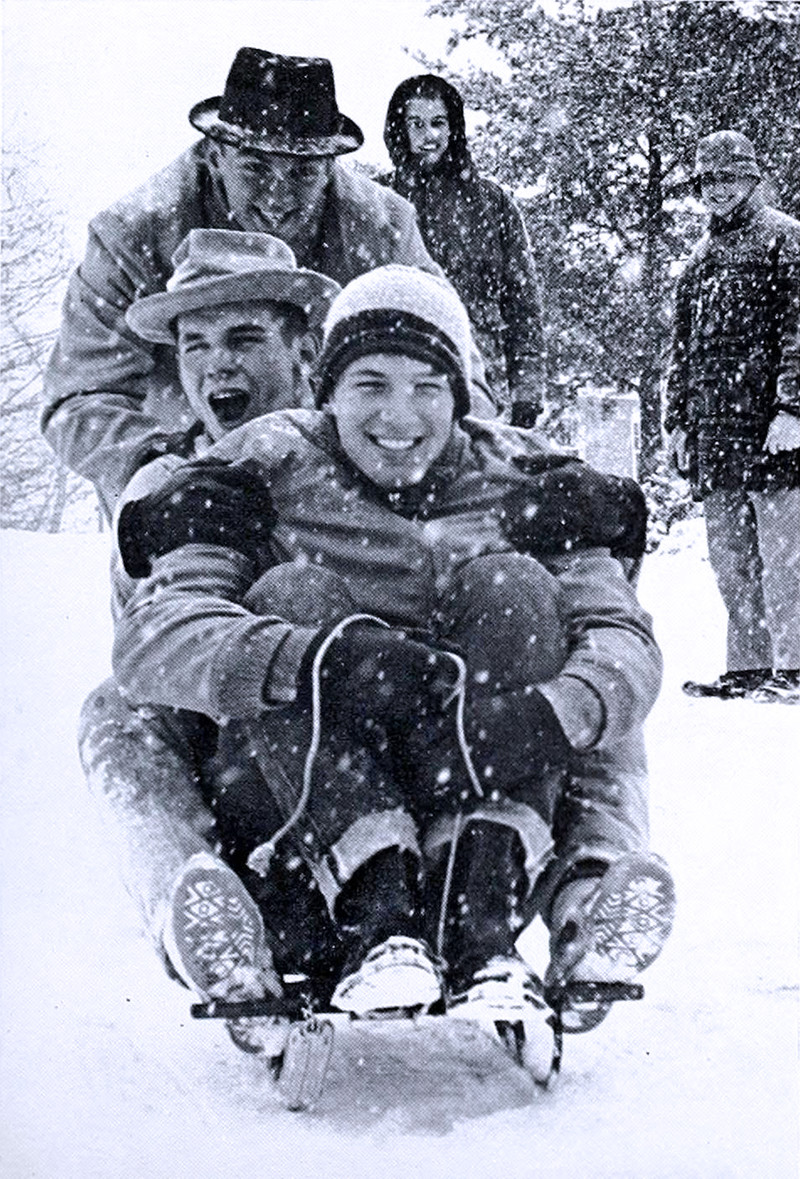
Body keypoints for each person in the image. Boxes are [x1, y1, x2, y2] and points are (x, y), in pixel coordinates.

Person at [112, 265, 675, 1060]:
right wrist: (317, 660)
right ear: (327, 392)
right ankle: (235, 927)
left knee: (537, 615)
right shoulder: (260, 465)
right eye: (370, 384)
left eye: (427, 387)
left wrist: (542, 715)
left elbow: (623, 638)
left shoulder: (529, 479)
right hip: (303, 819)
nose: (399, 416)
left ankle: (575, 898)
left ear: (462, 396)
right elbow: (151, 639)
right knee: (279, 599)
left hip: (477, 807)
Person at [78, 229, 345, 1056]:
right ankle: (202, 914)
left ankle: (585, 888)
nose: (216, 365)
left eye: (243, 338)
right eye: (195, 345)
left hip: (361, 751)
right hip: (240, 773)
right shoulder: (164, 483)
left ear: (303, 352)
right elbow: (144, 655)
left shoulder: (362, 447)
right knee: (114, 713)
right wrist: (151, 542)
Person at [40, 47, 444, 520]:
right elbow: (79, 399)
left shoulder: (382, 230)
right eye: (254, 168)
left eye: (302, 172)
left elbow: (453, 370)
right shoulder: (132, 236)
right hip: (179, 471)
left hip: (341, 479)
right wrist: (172, 473)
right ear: (215, 156)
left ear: (330, 168)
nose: (278, 198)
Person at [665, 130, 800, 704]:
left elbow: (798, 331)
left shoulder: (786, 239)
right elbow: (683, 348)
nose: (717, 190)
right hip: (716, 430)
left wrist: (792, 406)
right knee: (731, 558)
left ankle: (794, 667)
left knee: (785, 556)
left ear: (752, 178)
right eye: (708, 180)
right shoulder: (699, 258)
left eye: (728, 178)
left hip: (772, 427)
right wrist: (677, 420)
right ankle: (748, 666)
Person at [381, 74, 546, 428]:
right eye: (417, 124)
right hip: (401, 375)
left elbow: (522, 304)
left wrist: (527, 389)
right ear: (401, 129)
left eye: (438, 123)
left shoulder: (492, 203)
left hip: (480, 380)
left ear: (453, 128)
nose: (429, 136)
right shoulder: (380, 202)